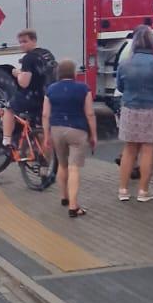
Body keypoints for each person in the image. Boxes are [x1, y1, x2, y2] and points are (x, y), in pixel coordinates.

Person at [115, 24, 153, 202]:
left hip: (130, 109)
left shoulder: (125, 63)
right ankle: (143, 191)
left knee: (129, 149)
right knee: (148, 150)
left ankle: (123, 190)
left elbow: (120, 87)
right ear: (151, 41)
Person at [42, 58, 97, 218]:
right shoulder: (83, 88)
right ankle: (73, 206)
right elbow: (90, 113)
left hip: (57, 130)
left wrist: (46, 135)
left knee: (62, 164)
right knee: (74, 168)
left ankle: (64, 197)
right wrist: (93, 134)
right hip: (77, 130)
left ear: (58, 73)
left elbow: (45, 114)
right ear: (74, 72)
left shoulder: (51, 89)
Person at [1, 28, 54, 152]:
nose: (22, 45)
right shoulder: (47, 53)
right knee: (41, 126)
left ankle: (6, 140)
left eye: (25, 41)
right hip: (47, 96)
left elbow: (24, 83)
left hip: (32, 96)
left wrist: (17, 73)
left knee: (8, 108)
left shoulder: (28, 58)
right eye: (20, 42)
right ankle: (47, 157)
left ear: (34, 40)